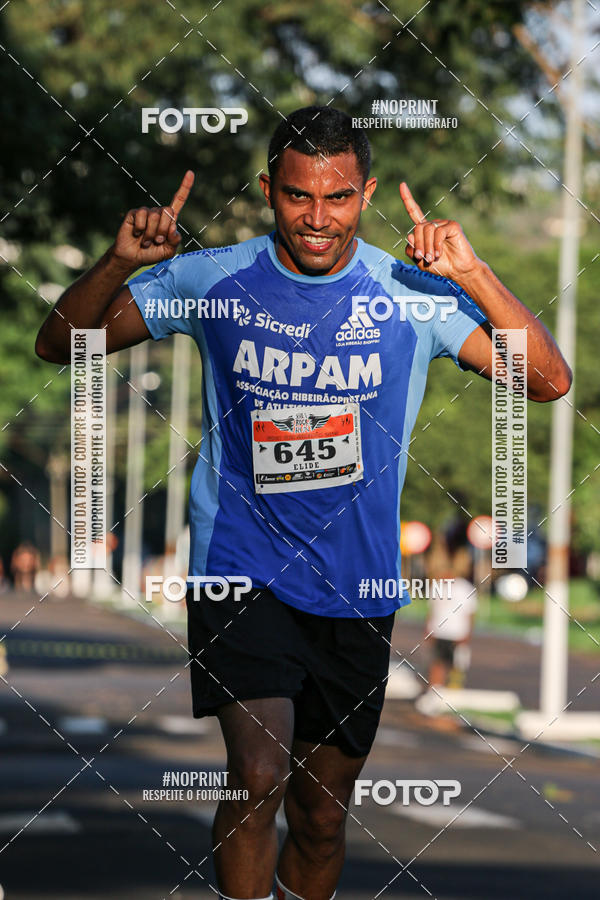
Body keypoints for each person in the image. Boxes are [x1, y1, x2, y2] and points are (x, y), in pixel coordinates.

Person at [35, 106, 571, 900]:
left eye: (339, 197)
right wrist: (117, 264)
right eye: (298, 196)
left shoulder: (410, 293)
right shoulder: (212, 280)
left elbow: (548, 380)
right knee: (258, 774)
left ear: (367, 195)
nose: (318, 218)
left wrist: (473, 275)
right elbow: (61, 343)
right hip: (239, 565)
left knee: (321, 813)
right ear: (268, 191)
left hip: (358, 583)